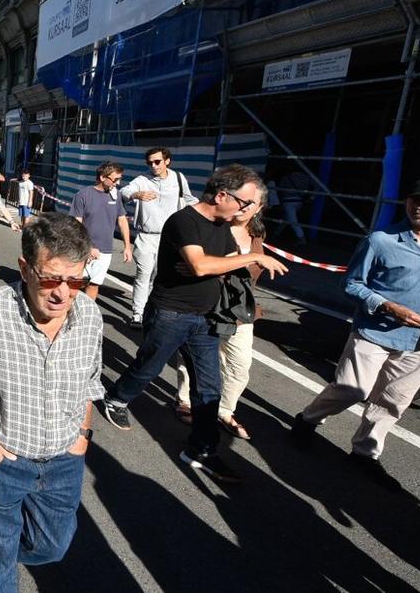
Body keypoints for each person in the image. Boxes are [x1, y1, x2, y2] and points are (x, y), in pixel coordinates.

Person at [0, 213, 102, 593]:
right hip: (1, 461)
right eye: (51, 278)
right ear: (25, 269)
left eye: (75, 280)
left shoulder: (90, 316)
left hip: (63, 460)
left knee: (53, 546)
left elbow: (91, 380)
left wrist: (82, 436)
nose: (63, 293)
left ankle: (4, 545)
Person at [101, 165, 288, 483]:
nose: (244, 210)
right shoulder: (184, 221)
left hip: (205, 318)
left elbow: (223, 264)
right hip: (170, 314)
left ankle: (202, 450)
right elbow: (201, 266)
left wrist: (224, 264)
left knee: (208, 387)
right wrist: (251, 258)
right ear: (222, 195)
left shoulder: (222, 226)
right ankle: (116, 398)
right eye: (244, 203)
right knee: (148, 367)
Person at [291, 177, 420, 492]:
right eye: (415, 199)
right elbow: (351, 284)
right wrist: (388, 306)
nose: (419, 207)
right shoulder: (382, 241)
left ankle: (365, 452)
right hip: (375, 332)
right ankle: (308, 419)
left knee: (394, 401)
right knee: (351, 389)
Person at [173, 193, 267, 438]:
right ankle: (185, 401)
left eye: (252, 203)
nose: (244, 206)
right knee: (194, 359)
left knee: (239, 365)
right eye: (243, 200)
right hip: (207, 306)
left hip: (240, 311)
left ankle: (224, 410)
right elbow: (195, 265)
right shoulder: (212, 228)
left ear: (259, 208)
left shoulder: (257, 235)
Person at [120, 147, 197, 328]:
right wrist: (136, 194)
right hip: (146, 236)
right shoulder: (142, 180)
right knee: (143, 274)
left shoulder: (178, 178)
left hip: (170, 238)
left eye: (157, 162)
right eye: (150, 163)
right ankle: (138, 314)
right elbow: (124, 192)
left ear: (167, 161)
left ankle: (153, 309)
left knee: (159, 276)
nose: (153, 166)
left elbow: (190, 199)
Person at [70, 161, 133, 300]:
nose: (118, 183)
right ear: (102, 177)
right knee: (75, 283)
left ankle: (87, 311)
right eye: (115, 179)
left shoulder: (115, 196)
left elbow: (122, 221)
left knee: (94, 284)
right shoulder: (83, 195)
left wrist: (127, 247)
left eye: (120, 179)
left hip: (105, 251)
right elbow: (76, 224)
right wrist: (88, 247)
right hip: (83, 249)